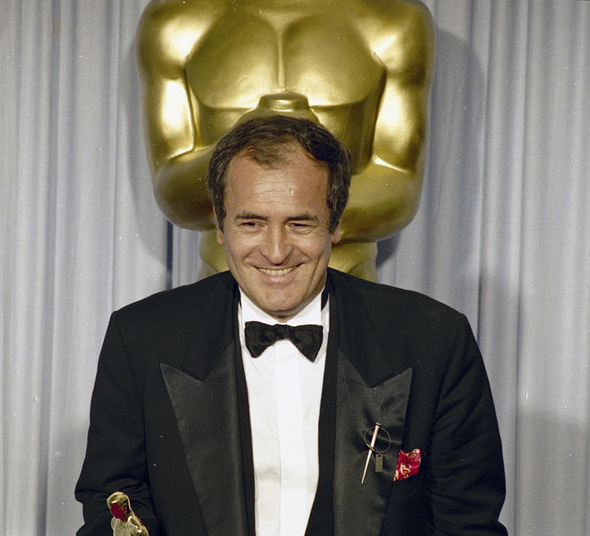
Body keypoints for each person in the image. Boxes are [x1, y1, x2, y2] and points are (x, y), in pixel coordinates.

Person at [75, 116, 507, 535]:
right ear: (221, 225)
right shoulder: (140, 338)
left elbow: (466, 523)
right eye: (252, 223)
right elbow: (112, 504)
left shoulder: (434, 340)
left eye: (300, 223)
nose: (277, 251)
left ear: (335, 225)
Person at [136, 0, 435, 281]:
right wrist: (245, 137)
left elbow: (399, 187)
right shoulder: (174, 23)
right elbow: (171, 191)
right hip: (223, 283)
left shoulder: (395, 21)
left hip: (346, 282)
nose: (277, 251)